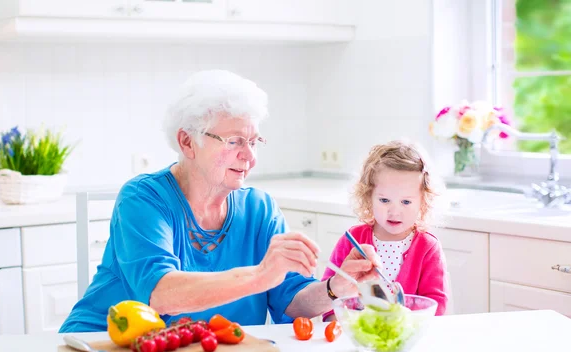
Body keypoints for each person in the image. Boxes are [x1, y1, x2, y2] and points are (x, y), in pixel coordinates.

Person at [59, 70, 376, 333]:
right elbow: (162, 294)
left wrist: (336, 287)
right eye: (235, 141)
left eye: (253, 142)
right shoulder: (143, 199)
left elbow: (291, 300)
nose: (249, 157)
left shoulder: (259, 210)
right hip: (104, 349)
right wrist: (260, 275)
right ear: (188, 142)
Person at [321, 140, 448, 321]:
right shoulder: (353, 239)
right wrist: (338, 321)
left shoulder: (428, 247)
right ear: (368, 195)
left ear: (423, 201)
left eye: (406, 202)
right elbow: (331, 295)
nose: (394, 212)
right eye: (384, 200)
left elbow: (435, 304)